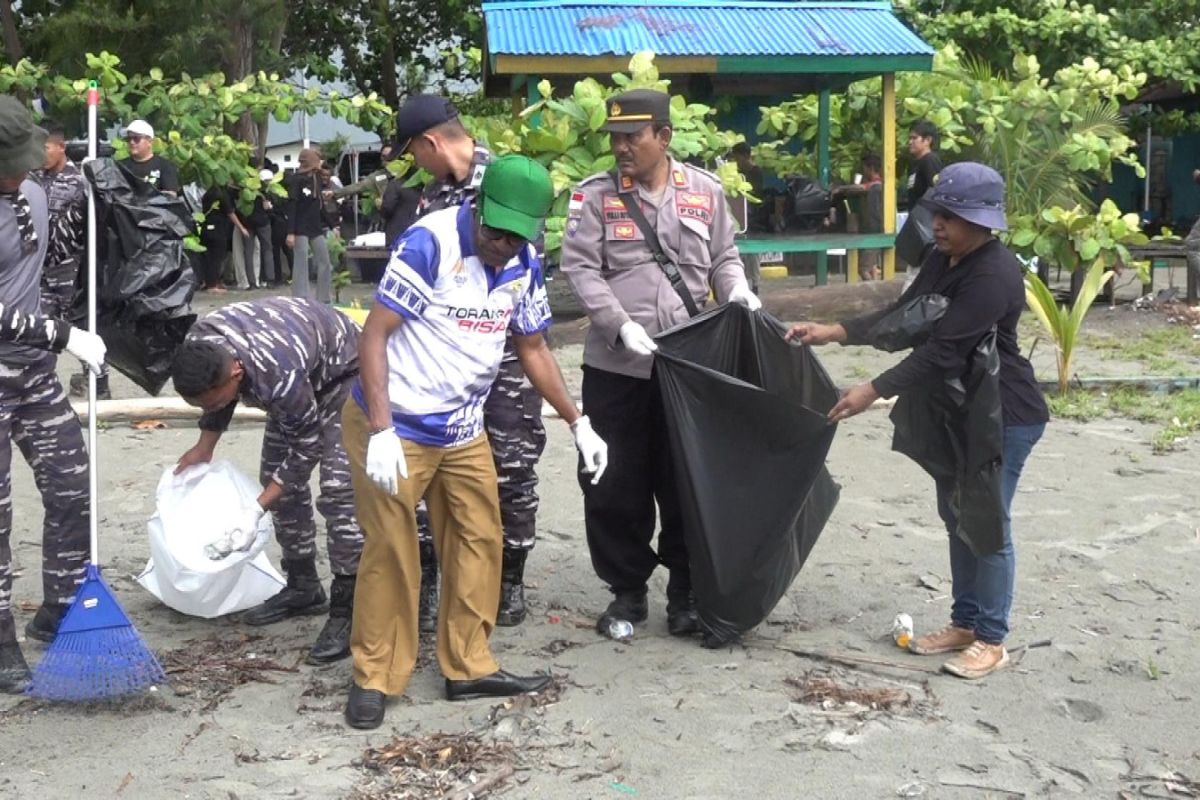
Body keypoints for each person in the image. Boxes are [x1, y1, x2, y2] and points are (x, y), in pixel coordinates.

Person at [343, 154, 608, 728]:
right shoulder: (429, 243)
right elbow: (374, 336)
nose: (502, 245)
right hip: (396, 423)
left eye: (517, 237)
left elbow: (532, 347)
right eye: (495, 231)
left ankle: (467, 665)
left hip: (463, 428)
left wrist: (576, 420)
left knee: (480, 537)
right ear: (479, 205)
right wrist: (383, 431)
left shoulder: (523, 263)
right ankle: (375, 675)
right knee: (393, 547)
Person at [786, 162, 1049, 680]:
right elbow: (905, 320)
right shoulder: (941, 258)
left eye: (953, 217)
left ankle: (992, 639)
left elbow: (944, 353)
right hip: (956, 409)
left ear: (983, 222)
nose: (941, 225)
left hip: (1004, 414)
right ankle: (965, 622)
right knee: (956, 513)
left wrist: (872, 390)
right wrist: (833, 330)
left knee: (987, 521)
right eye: (939, 214)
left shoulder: (995, 274)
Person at [559, 89, 761, 643]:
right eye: (616, 138)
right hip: (618, 367)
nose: (621, 147)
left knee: (687, 479)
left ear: (663, 137)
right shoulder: (595, 198)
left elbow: (723, 256)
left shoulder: (705, 191)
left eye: (634, 137)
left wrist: (736, 290)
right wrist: (619, 323)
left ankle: (686, 593)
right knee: (613, 481)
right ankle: (627, 591)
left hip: (689, 365)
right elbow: (580, 269)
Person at [396, 93, 546, 629]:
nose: (414, 162)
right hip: (439, 368)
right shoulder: (432, 197)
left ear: (431, 142)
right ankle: (432, 576)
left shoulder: (507, 182)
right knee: (428, 471)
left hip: (502, 357)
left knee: (511, 467)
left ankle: (508, 579)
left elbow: (521, 270)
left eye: (413, 151)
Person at [171, 297, 364, 664]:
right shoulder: (200, 346)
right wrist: (204, 445)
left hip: (345, 375)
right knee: (273, 476)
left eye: (212, 401)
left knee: (340, 492)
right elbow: (216, 400)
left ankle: (347, 609)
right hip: (296, 375)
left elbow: (307, 448)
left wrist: (254, 511)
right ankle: (303, 585)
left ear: (236, 375)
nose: (207, 409)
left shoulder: (277, 373)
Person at [0, 95, 107, 693]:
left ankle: (60, 606)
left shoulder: (38, 189)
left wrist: (99, 190)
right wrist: (64, 334)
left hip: (34, 371)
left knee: (72, 486)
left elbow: (60, 259)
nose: (24, 168)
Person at [285, 148, 336, 303]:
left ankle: (323, 298)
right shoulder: (296, 180)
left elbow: (319, 205)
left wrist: (333, 225)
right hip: (299, 227)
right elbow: (292, 206)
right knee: (301, 262)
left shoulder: (317, 178)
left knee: (324, 261)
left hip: (315, 227)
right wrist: (290, 232)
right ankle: (300, 298)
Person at [116, 119, 180, 196]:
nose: (131, 142)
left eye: (136, 138)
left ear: (150, 142)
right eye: (129, 139)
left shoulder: (165, 166)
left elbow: (170, 197)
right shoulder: (120, 166)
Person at [237, 176, 275, 288]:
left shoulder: (244, 193)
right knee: (267, 250)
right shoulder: (264, 193)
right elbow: (269, 208)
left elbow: (239, 208)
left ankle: (251, 282)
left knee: (248, 252)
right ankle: (270, 280)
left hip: (248, 223)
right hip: (263, 223)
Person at [906, 119, 943, 210]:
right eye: (909, 138)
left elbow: (936, 192)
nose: (910, 142)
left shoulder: (930, 160)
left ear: (927, 140)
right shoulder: (914, 163)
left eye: (914, 138)